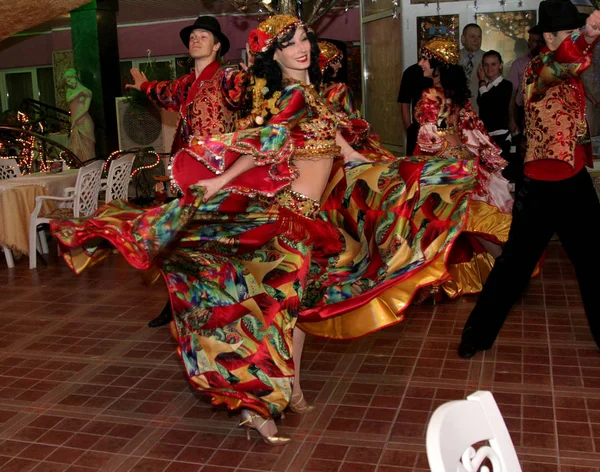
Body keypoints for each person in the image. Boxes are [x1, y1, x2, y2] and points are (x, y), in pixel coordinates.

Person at [51, 14, 367, 444]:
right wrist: (220, 180)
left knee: (296, 309)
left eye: (304, 38)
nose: (301, 47)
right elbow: (264, 144)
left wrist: (374, 164)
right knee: (274, 311)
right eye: (289, 42)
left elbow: (342, 146)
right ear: (274, 54)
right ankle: (258, 405)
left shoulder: (318, 96)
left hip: (311, 216)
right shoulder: (291, 95)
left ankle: (291, 387)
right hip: (286, 217)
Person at [294, 36, 512, 340]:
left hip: (437, 167)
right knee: (465, 220)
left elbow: (427, 137)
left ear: (436, 65)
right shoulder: (456, 95)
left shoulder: (429, 96)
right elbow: (471, 130)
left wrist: (417, 162)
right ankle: (501, 269)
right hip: (461, 161)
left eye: (425, 59)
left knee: (436, 223)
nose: (420, 63)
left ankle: (495, 270)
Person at [458, 2, 600, 360]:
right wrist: (587, 35)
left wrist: (586, 40)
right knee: (514, 266)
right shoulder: (538, 68)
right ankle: (476, 335)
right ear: (548, 37)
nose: (573, 38)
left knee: (594, 263)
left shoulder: (570, 61)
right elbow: (568, 57)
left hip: (574, 179)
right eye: (567, 32)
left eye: (574, 31)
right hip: (539, 185)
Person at [126, 16, 247, 328]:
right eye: (192, 35)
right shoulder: (185, 84)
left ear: (217, 45)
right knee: (182, 242)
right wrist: (143, 86)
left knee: (214, 244)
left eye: (203, 35)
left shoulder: (227, 76)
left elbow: (244, 94)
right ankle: (177, 303)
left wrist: (254, 78)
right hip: (188, 173)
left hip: (219, 173)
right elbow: (162, 92)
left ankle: (226, 310)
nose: (196, 40)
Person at [476, 51, 513, 157]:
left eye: (493, 64)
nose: (489, 68)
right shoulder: (485, 86)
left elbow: (488, 104)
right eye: (486, 64)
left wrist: (481, 81)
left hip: (500, 137)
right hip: (485, 137)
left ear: (500, 65)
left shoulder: (506, 85)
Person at [397, 61, 433, 156]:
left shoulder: (448, 75)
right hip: (417, 130)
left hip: (442, 137)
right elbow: (404, 103)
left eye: (426, 58)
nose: (422, 62)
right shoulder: (411, 72)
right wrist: (410, 130)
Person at [63, 69, 95, 160]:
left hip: (84, 122)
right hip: (75, 124)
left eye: (69, 80)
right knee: (76, 151)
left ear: (74, 77)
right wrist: (80, 92)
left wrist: (75, 119)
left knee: (88, 149)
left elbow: (85, 108)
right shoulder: (70, 91)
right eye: (67, 82)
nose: (69, 83)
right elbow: (68, 99)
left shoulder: (87, 92)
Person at [459, 23, 485, 113]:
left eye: (479, 37)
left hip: (480, 111)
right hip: (458, 110)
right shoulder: (454, 58)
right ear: (463, 38)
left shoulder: (487, 59)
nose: (476, 40)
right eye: (472, 36)